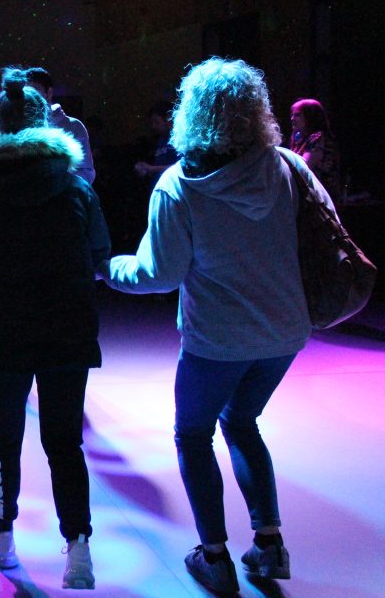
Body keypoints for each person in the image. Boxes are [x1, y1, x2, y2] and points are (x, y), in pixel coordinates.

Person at [102, 58, 326, 594]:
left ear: (191, 111)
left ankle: (214, 557)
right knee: (243, 423)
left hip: (217, 341)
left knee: (193, 433)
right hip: (285, 334)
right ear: (256, 111)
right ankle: (270, 546)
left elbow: (158, 275)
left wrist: (106, 266)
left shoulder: (180, 186)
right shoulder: (288, 168)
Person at [0, 70, 109, 590]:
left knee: (3, 438)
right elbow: (98, 255)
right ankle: (78, 549)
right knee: (65, 442)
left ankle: (4, 534)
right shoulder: (76, 189)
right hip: (66, 333)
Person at [22, 68, 96, 184]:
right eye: (26, 92)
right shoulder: (19, 126)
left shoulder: (74, 126)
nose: (30, 96)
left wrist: (60, 185)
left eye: (35, 90)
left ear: (49, 92)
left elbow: (86, 171)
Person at [290, 98, 342, 201]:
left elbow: (304, 167)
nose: (292, 118)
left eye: (297, 115)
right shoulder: (302, 140)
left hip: (320, 199)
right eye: (292, 115)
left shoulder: (318, 137)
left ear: (310, 117)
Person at [134, 100, 179, 185]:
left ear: (168, 119)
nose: (153, 126)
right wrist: (145, 170)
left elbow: (180, 168)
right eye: (152, 123)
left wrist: (151, 169)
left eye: (157, 122)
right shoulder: (160, 140)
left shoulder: (178, 141)